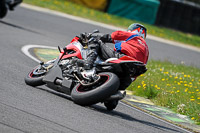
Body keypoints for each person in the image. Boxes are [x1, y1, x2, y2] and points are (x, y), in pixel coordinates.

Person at [75, 23, 149, 90]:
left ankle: (88, 62)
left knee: (95, 40)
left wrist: (90, 35)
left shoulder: (133, 36)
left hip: (122, 58)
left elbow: (113, 35)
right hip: (132, 72)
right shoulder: (146, 50)